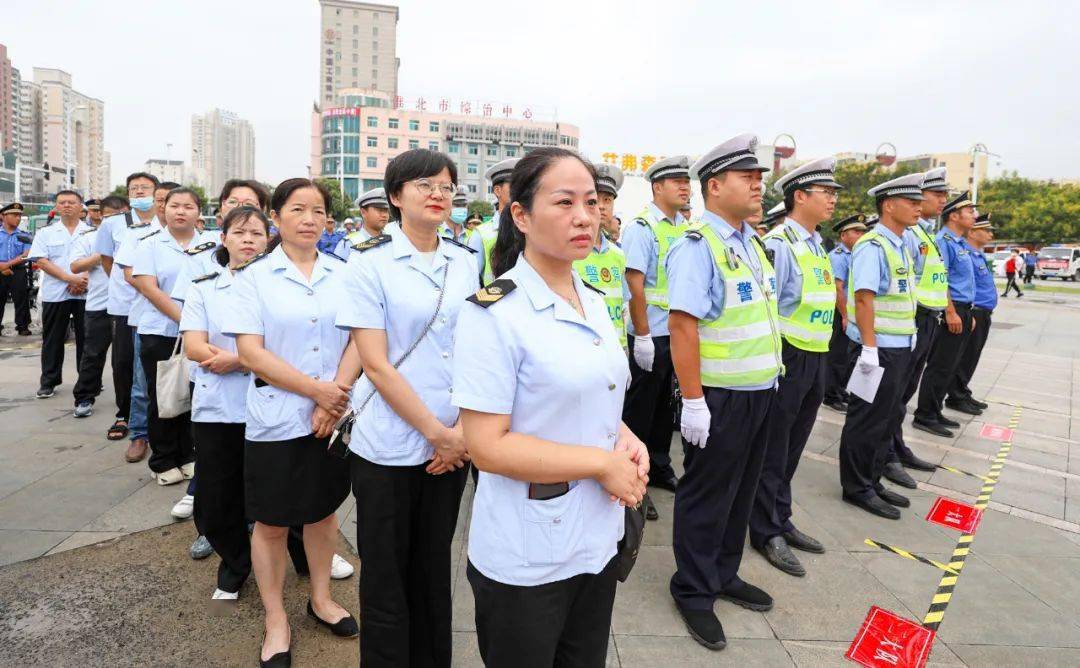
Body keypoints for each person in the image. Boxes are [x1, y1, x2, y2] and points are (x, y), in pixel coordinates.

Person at [453, 147, 649, 665]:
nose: (585, 215)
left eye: (591, 201)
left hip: (597, 538)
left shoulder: (592, 298)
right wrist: (602, 463)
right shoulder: (492, 313)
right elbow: (486, 446)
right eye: (564, 202)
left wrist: (627, 439)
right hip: (528, 552)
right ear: (520, 215)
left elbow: (598, 394)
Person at [337, 149, 478, 666]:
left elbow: (476, 349)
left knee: (433, 566)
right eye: (424, 184)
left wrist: (460, 431)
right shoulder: (367, 263)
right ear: (396, 197)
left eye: (446, 185)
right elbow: (374, 364)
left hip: (453, 439)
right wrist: (436, 434)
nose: (438, 193)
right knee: (387, 572)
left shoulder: (466, 261)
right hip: (389, 443)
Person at [224, 178, 360, 667]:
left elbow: (360, 340)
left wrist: (334, 397)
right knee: (273, 520)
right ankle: (275, 616)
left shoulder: (346, 273)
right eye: (297, 209)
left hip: (332, 416)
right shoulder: (253, 279)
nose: (309, 218)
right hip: (278, 418)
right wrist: (317, 392)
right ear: (275, 216)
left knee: (323, 512)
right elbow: (250, 353)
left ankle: (320, 598)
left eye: (318, 211)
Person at [666, 134, 779, 650]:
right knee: (708, 492)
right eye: (747, 178)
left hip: (759, 390)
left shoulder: (750, 241)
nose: (758, 184)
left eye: (759, 177)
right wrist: (693, 401)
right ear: (715, 186)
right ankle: (692, 588)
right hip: (719, 396)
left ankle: (723, 572)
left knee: (742, 489)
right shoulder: (698, 245)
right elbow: (683, 326)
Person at [750, 157, 843, 577]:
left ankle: (781, 517)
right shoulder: (781, 244)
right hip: (789, 355)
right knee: (774, 446)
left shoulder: (814, 244)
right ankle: (765, 528)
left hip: (816, 354)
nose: (833, 200)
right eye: (826, 193)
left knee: (793, 446)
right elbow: (769, 306)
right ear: (799, 196)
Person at [838, 172, 924, 521]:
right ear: (889, 206)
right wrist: (870, 348)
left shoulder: (899, 243)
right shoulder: (873, 245)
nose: (919, 208)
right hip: (878, 350)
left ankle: (871, 480)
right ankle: (856, 487)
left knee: (887, 418)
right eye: (912, 202)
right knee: (867, 420)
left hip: (900, 347)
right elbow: (863, 300)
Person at [622, 155, 692, 496]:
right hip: (651, 333)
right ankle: (634, 474)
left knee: (668, 405)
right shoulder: (642, 228)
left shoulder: (684, 229)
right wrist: (643, 335)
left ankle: (660, 464)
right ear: (657, 187)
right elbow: (635, 283)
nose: (685, 187)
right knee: (641, 408)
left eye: (687, 181)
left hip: (676, 333)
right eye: (677, 181)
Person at [95, 173, 160, 456]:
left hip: (162, 307)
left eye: (144, 188)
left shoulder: (166, 221)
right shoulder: (114, 224)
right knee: (125, 363)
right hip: (126, 304)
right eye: (134, 188)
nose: (139, 192)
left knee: (159, 371)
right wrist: (126, 284)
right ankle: (128, 418)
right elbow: (108, 260)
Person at [913, 191, 980, 436]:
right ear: (955, 216)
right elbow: (942, 280)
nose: (975, 215)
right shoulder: (943, 240)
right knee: (940, 364)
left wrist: (967, 312)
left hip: (963, 308)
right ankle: (925, 414)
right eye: (970, 211)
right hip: (949, 309)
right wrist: (950, 312)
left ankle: (935, 409)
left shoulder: (960, 243)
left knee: (950, 364)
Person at [28, 190, 91, 399]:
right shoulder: (46, 233)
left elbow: (99, 260)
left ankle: (88, 381)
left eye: (71, 202)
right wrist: (69, 279)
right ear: (56, 207)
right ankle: (49, 381)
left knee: (87, 340)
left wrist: (80, 281)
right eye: (62, 202)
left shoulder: (92, 232)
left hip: (86, 292)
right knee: (53, 340)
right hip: (56, 293)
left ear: (81, 206)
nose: (67, 206)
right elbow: (42, 261)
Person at [948, 212, 996, 411]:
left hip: (983, 312)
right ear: (973, 232)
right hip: (974, 311)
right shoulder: (964, 252)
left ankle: (962, 391)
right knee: (964, 356)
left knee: (972, 355)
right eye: (987, 230)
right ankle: (956, 396)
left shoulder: (977, 253)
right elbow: (962, 284)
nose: (991, 235)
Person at [69, 200, 112, 418]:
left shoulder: (138, 237)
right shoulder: (90, 238)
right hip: (98, 305)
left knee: (127, 360)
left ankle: (129, 405)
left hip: (130, 308)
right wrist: (102, 253)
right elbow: (75, 266)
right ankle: (84, 397)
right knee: (93, 353)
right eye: (109, 215)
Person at [822, 214, 868, 413]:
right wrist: (844, 316)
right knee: (838, 356)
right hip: (840, 313)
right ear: (843, 236)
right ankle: (831, 395)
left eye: (863, 232)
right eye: (856, 232)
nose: (861, 235)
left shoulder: (858, 254)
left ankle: (841, 390)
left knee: (850, 357)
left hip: (852, 313)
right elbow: (838, 288)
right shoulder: (838, 256)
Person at [476, 158, 518, 283]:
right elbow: (471, 279)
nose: (519, 190)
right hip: (492, 299)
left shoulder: (531, 229)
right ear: (497, 191)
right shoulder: (481, 233)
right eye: (514, 185)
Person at [0, 202, 33, 336]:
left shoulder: (24, 235)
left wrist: (6, 265)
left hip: (18, 270)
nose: (18, 218)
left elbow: (26, 255)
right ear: (3, 216)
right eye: (14, 215)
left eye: (20, 215)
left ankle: (22, 325)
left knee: (21, 298)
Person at [332, 188, 390, 259]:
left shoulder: (392, 241)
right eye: (379, 210)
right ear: (363, 212)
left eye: (386, 210)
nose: (384, 215)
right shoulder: (349, 244)